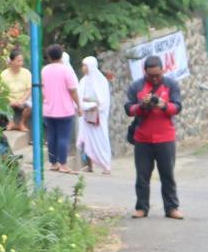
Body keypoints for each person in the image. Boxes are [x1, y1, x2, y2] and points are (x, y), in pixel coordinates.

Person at [125, 55, 183, 219]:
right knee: (142, 175)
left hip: (165, 138)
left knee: (168, 175)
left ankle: (172, 208)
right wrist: (141, 106)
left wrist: (163, 104)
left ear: (163, 70)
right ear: (145, 72)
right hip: (143, 139)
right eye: (151, 76)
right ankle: (141, 208)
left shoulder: (171, 85)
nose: (155, 78)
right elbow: (128, 109)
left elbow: (177, 107)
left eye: (158, 75)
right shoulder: (137, 86)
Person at [40, 44, 81, 173]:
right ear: (61, 55)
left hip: (48, 109)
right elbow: (73, 90)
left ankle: (53, 163)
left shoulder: (44, 70)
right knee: (63, 137)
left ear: (49, 56)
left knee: (51, 136)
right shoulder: (66, 70)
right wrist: (79, 106)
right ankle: (63, 164)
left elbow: (42, 89)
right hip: (64, 110)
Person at [77, 56, 112, 174]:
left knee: (101, 140)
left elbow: (102, 101)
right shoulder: (83, 81)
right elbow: (79, 97)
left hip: (98, 117)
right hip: (87, 116)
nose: (83, 68)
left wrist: (90, 102)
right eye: (83, 65)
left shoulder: (101, 81)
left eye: (85, 65)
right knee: (87, 141)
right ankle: (89, 165)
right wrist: (85, 103)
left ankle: (106, 165)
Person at [0, 47, 32, 132]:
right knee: (2, 103)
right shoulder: (4, 74)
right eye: (18, 61)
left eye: (21, 61)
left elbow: (29, 89)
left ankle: (22, 123)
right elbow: (1, 92)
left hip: (23, 99)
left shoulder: (26, 72)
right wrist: (11, 101)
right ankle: (11, 123)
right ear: (11, 61)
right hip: (9, 99)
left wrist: (22, 100)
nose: (20, 63)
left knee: (31, 105)